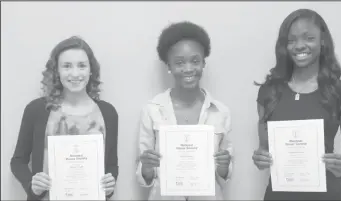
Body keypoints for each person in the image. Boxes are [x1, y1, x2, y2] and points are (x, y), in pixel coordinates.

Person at [252, 9, 341, 200]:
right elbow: (264, 149)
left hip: (330, 195)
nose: (299, 45)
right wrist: (260, 158)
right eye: (291, 40)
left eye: (308, 37)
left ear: (322, 41)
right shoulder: (269, 92)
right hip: (279, 195)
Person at [10, 36, 119, 200]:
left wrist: (110, 184)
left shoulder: (108, 113)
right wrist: (31, 184)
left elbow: (111, 164)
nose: (75, 73)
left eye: (81, 66)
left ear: (91, 70)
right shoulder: (37, 110)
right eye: (67, 66)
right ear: (57, 71)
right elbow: (18, 162)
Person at [136, 21, 233, 200]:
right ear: (168, 66)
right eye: (179, 62)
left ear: (203, 63)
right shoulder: (152, 110)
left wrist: (224, 166)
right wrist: (147, 167)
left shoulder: (221, 112)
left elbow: (224, 176)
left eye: (195, 61)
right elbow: (144, 178)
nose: (188, 69)